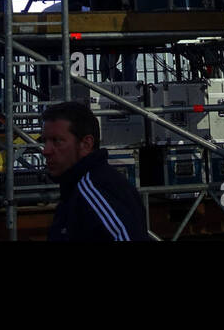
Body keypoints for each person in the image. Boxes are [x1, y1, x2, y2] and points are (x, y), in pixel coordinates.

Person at [42, 101, 148, 241]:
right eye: (45, 141)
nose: (46, 151)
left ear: (86, 144)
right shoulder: (80, 189)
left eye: (57, 141)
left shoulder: (93, 190)